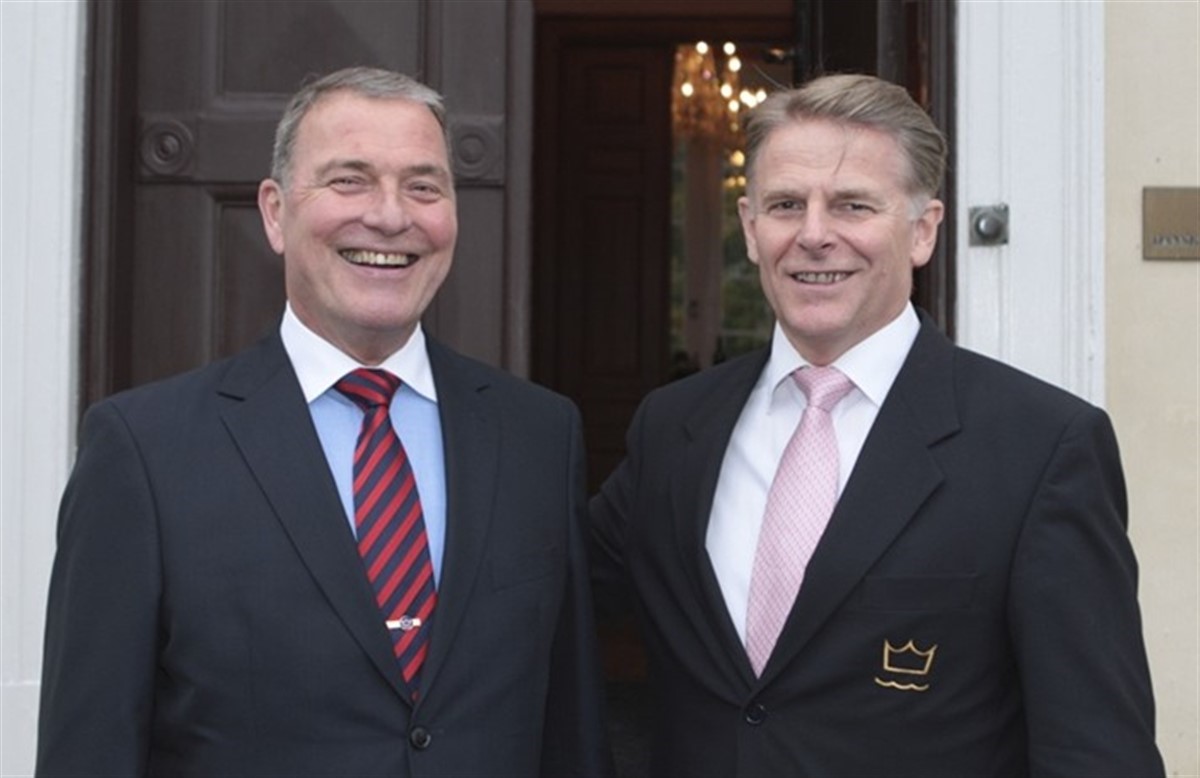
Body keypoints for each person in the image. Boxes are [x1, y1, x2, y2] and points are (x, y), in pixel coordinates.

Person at [37, 66, 612, 777]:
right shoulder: (143, 452)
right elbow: (89, 752)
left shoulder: (539, 437)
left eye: (423, 187)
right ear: (275, 213)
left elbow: (572, 735)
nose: (391, 216)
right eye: (349, 180)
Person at [590, 73, 1164, 777]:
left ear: (923, 231)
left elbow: (1096, 749)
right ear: (750, 227)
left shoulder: (1041, 447)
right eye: (786, 205)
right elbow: (537, 593)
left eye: (853, 205)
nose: (813, 235)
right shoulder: (673, 428)